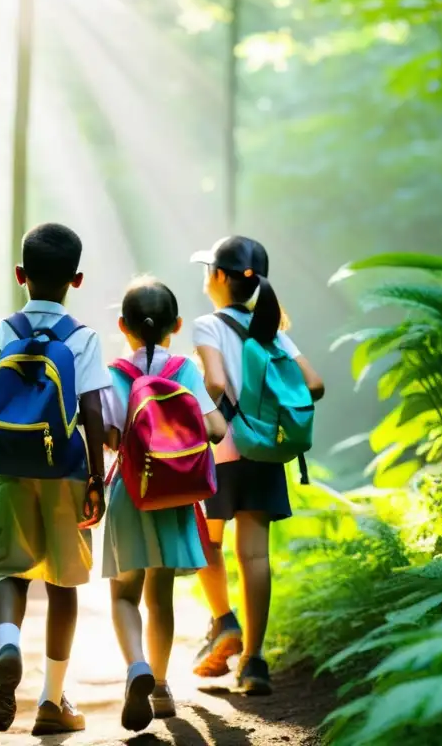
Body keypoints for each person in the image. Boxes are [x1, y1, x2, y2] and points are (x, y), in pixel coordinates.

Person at [0, 223, 108, 736]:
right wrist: (96, 479)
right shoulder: (85, 338)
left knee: (12, 573)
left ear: (20, 274)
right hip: (66, 470)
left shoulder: (1, 332)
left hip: (7, 467)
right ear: (78, 279)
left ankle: (7, 645)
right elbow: (91, 408)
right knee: (64, 583)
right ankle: (52, 700)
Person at [188, 236, 325, 696]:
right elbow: (315, 385)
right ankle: (254, 662)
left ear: (221, 277)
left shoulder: (208, 325)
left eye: (209, 269)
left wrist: (209, 412)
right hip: (266, 453)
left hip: (223, 449)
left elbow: (214, 380)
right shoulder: (274, 330)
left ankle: (224, 620)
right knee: (254, 556)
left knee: (207, 540)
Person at [99, 277, 227, 731]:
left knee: (124, 594)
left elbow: (109, 437)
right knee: (161, 596)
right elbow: (214, 432)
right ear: (176, 324)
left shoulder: (112, 373)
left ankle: (135, 667)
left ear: (122, 325)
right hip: (174, 497)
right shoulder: (185, 370)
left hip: (130, 494)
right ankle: (160, 686)